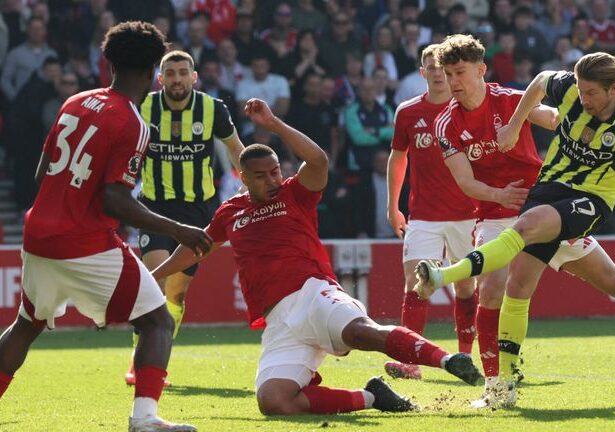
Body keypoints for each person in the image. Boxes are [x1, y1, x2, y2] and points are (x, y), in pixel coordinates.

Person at [416, 52, 615, 408]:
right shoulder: (563, 91)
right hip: (547, 189)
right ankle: (502, 388)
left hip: (592, 198)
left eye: (590, 93)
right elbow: (542, 79)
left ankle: (442, 275)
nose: (583, 98)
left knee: (533, 230)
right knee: (522, 285)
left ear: (612, 88)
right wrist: (515, 126)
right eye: (579, 90)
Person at [150, 98, 484, 416]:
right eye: (262, 175)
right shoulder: (229, 212)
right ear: (243, 176)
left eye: (275, 171)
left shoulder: (295, 193)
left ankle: (448, 360)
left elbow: (319, 160)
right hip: (279, 321)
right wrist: (155, 276)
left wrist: (273, 124)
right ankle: (372, 397)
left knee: (361, 332)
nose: (272, 179)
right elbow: (197, 247)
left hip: (313, 293)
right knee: (274, 401)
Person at [0, 21, 211, 431]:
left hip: (38, 234)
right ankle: (145, 419)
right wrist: (181, 230)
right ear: (153, 69)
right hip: (84, 241)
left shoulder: (76, 101)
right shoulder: (133, 122)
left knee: (25, 326)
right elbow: (114, 198)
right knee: (157, 322)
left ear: (108, 61)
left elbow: (44, 172)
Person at [430, 34, 565, 406]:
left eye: (459, 72)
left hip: (541, 206)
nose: (452, 81)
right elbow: (465, 182)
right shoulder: (446, 125)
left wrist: (576, 109)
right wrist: (499, 195)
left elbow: (552, 118)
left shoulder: (508, 100)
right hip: (493, 212)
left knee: (613, 281)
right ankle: (497, 386)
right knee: (490, 290)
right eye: (448, 73)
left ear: (480, 70)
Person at [125, 49, 246, 386]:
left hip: (198, 213)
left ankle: (158, 351)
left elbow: (236, 149)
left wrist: (251, 182)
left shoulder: (212, 109)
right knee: (155, 283)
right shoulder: (142, 106)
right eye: (171, 73)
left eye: (183, 73)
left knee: (176, 295)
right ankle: (141, 362)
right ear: (160, 78)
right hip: (154, 208)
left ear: (194, 77)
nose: (177, 79)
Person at [384, 43, 478, 381]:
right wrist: (393, 206)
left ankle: (465, 356)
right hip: (423, 216)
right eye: (432, 67)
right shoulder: (408, 112)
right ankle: (410, 363)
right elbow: (398, 159)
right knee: (416, 285)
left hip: (467, 213)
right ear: (423, 72)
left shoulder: (467, 108)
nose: (438, 72)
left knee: (466, 289)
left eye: (443, 67)